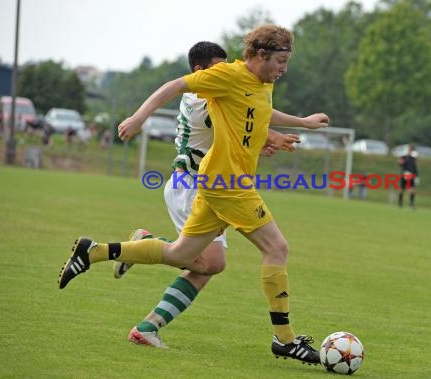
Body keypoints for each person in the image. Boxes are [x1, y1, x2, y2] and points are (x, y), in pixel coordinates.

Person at [58, 24, 329, 365]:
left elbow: (258, 113)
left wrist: (300, 124)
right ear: (260, 55)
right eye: (280, 60)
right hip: (228, 185)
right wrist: (139, 117)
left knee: (181, 254)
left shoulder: (263, 83)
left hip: (213, 183)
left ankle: (94, 252)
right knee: (277, 248)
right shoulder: (226, 76)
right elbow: (176, 85)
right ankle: (285, 339)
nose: (283, 69)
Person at [113, 41, 301, 349]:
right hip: (194, 185)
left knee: (206, 265)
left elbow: (248, 118)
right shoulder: (205, 98)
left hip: (196, 184)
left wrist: (260, 141)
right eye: (219, 69)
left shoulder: (205, 93)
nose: (226, 74)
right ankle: (144, 303)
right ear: (201, 71)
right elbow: (247, 113)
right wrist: (277, 134)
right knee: (208, 263)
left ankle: (148, 325)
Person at [398, 144, 418, 209]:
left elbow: (414, 168)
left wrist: (416, 176)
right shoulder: (404, 157)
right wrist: (401, 162)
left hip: (411, 176)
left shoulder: (413, 159)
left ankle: (411, 204)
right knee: (402, 190)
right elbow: (400, 164)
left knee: (412, 190)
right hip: (405, 175)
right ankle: (400, 204)